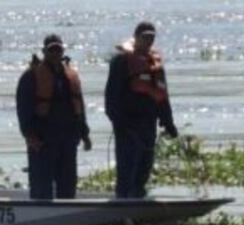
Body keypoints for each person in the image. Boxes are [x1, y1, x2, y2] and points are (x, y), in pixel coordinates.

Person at [104, 21, 179, 199]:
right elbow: (111, 95)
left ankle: (138, 197)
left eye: (151, 37)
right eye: (145, 37)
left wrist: (168, 122)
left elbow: (162, 96)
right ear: (136, 37)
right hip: (127, 124)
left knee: (145, 164)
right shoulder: (121, 61)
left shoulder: (154, 63)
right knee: (128, 165)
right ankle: (123, 200)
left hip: (148, 122)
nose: (149, 41)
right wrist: (118, 121)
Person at [16, 34, 92, 200]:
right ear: (44, 51)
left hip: (68, 139)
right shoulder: (31, 76)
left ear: (63, 50)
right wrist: (30, 136)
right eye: (51, 50)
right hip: (43, 140)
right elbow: (23, 109)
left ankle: (67, 218)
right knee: (41, 187)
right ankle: (39, 217)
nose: (55, 53)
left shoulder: (71, 76)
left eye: (58, 49)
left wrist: (85, 134)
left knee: (68, 185)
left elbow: (80, 107)